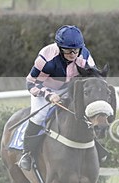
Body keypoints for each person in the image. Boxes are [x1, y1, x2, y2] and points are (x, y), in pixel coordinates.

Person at [18, 25, 99, 171]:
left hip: (69, 89)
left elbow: (93, 79)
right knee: (39, 116)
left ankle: (97, 148)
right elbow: (31, 83)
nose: (73, 54)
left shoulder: (85, 56)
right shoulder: (47, 58)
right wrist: (49, 95)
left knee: (85, 114)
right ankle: (27, 153)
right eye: (68, 50)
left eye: (76, 50)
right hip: (43, 89)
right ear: (60, 47)